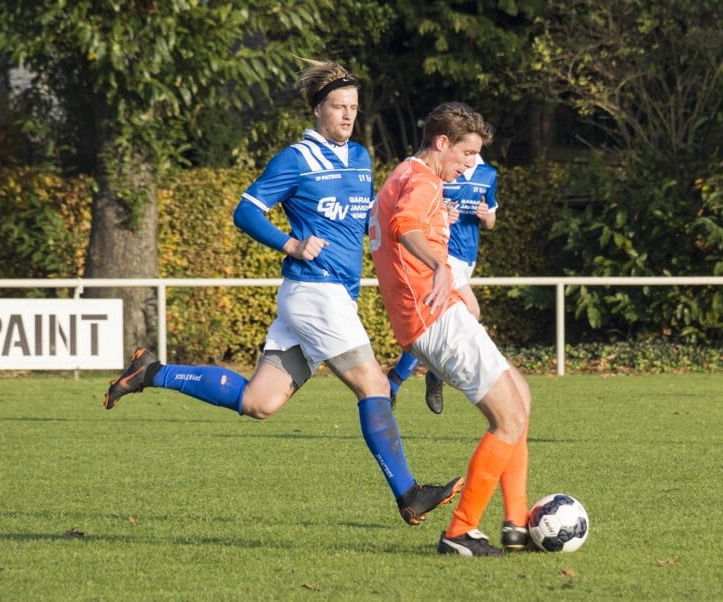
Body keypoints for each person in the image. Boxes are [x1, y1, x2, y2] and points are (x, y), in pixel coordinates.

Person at [103, 59, 463, 525]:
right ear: (317, 110)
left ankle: (152, 372)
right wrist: (291, 242)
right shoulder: (296, 160)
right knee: (375, 385)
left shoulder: (359, 158)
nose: (348, 116)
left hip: (324, 297)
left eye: (353, 107)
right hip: (317, 294)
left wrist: (431, 220)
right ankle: (409, 494)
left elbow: (363, 217)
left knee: (259, 402)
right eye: (339, 107)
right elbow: (246, 211)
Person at [370, 101, 532, 556]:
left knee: (520, 398)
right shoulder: (420, 179)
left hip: (440, 314)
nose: (469, 165)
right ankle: (460, 533)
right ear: (442, 143)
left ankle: (516, 526)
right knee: (509, 418)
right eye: (466, 154)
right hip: (433, 319)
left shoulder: (408, 173)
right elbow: (405, 226)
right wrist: (440, 267)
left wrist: (457, 287)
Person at [386, 154, 499, 414]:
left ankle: (401, 381)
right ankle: (423, 378)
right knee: (470, 311)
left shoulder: (488, 174)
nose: (467, 158)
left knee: (435, 321)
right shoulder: (440, 172)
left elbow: (491, 220)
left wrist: (485, 217)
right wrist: (442, 216)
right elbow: (418, 217)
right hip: (444, 255)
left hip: (468, 258)